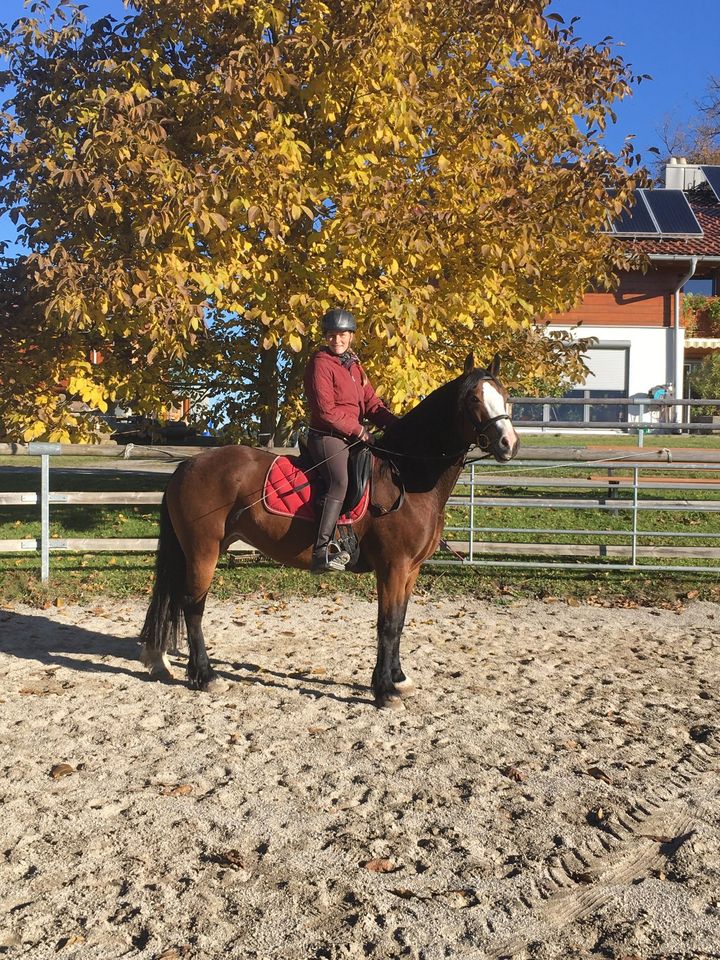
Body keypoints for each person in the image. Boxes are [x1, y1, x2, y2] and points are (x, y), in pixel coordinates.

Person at [304, 308, 399, 572]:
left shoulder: (354, 365)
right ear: (325, 337)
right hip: (328, 436)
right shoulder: (320, 363)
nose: (337, 340)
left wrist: (398, 426)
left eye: (342, 335)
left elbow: (370, 403)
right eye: (332, 335)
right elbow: (325, 411)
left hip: (352, 435)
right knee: (340, 481)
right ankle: (320, 551)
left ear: (351, 336)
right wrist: (358, 431)